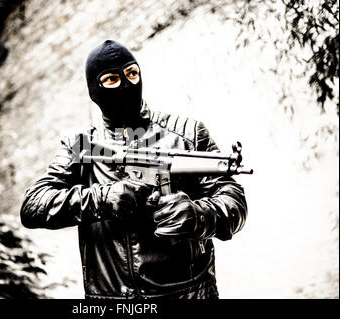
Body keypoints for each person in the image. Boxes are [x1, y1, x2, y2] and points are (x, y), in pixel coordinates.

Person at [20, 40, 248, 299]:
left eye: (131, 74)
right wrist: (102, 199)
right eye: (111, 79)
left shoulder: (187, 133)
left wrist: (200, 215)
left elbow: (234, 203)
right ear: (95, 89)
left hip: (190, 294)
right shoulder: (83, 147)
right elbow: (33, 206)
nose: (126, 85)